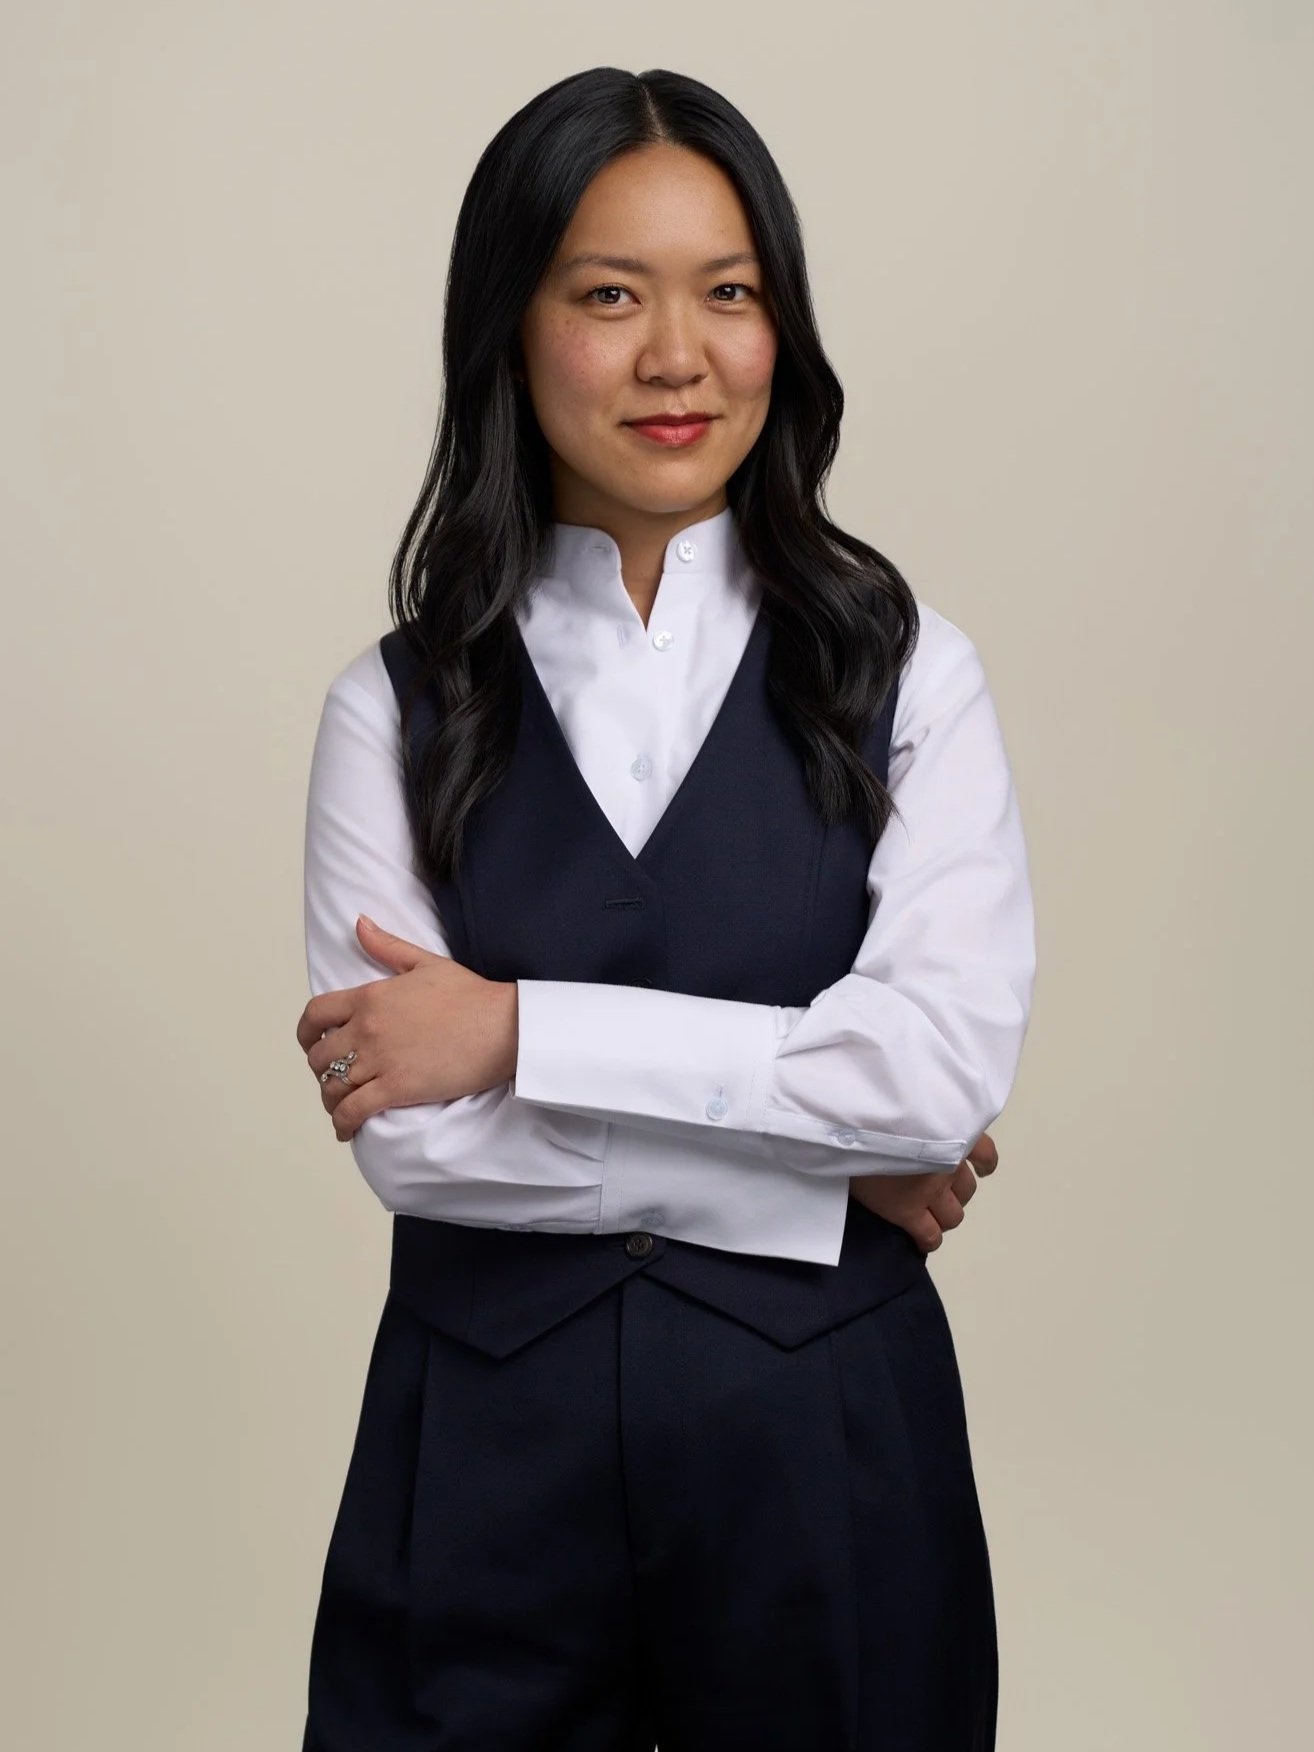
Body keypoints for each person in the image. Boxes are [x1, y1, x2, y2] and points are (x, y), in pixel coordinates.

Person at [294, 64, 1035, 1752]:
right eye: (608, 296)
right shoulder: (388, 708)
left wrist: (514, 1030)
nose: (676, 356)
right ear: (512, 322)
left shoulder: (909, 670)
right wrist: (822, 1160)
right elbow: (413, 1147)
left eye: (730, 294)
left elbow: (934, 1080)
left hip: (827, 1455)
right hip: (480, 1465)